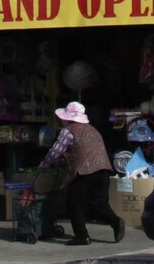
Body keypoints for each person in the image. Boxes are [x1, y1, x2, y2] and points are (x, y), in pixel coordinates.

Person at [38, 101, 121, 244]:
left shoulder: (68, 131)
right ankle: (116, 222)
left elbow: (56, 151)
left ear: (68, 118)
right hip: (103, 169)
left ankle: (81, 236)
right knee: (99, 202)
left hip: (84, 171)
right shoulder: (92, 129)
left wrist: (44, 164)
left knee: (75, 203)